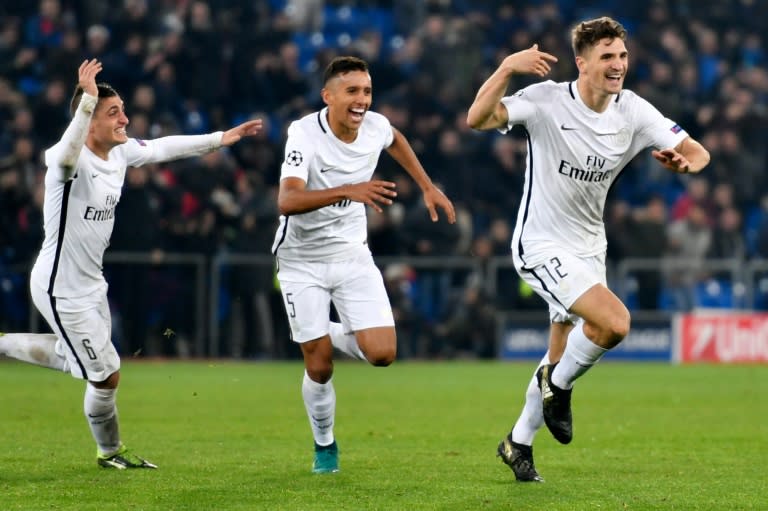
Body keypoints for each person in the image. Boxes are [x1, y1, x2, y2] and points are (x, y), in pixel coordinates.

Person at [467, 16, 710, 482]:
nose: (618, 65)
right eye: (607, 57)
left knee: (560, 348)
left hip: (588, 246)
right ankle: (556, 388)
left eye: (622, 55)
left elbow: (698, 151)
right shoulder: (546, 101)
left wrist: (687, 166)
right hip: (539, 243)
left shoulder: (633, 110)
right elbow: (477, 119)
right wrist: (506, 68)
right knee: (615, 322)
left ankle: (517, 442)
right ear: (582, 63)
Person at [0, 59, 262, 469]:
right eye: (113, 112)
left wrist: (219, 139)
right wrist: (86, 104)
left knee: (84, 362)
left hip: (90, 284)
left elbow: (161, 147)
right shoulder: (66, 161)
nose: (125, 118)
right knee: (105, 375)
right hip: (59, 285)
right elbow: (65, 158)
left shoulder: (119, 154)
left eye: (123, 109)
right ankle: (110, 452)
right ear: (89, 121)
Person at [272, 55, 455, 474]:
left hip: (352, 255)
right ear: (328, 96)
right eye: (352, 91)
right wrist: (348, 190)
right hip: (301, 261)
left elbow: (396, 140)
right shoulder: (303, 134)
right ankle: (325, 447)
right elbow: (287, 200)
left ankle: (321, 332)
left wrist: (427, 186)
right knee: (318, 366)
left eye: (367, 92)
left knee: (383, 354)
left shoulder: (374, 125)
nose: (361, 101)